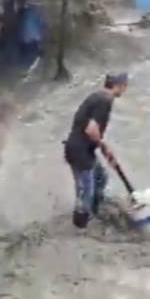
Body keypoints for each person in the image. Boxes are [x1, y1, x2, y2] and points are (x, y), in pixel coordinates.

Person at [64, 73, 129, 229]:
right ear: (119, 85)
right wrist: (104, 146)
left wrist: (102, 147)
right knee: (86, 191)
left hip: (82, 148)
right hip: (80, 151)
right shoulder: (105, 100)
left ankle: (94, 212)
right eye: (125, 86)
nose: (125, 89)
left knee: (101, 178)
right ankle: (80, 226)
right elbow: (91, 130)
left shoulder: (98, 96)